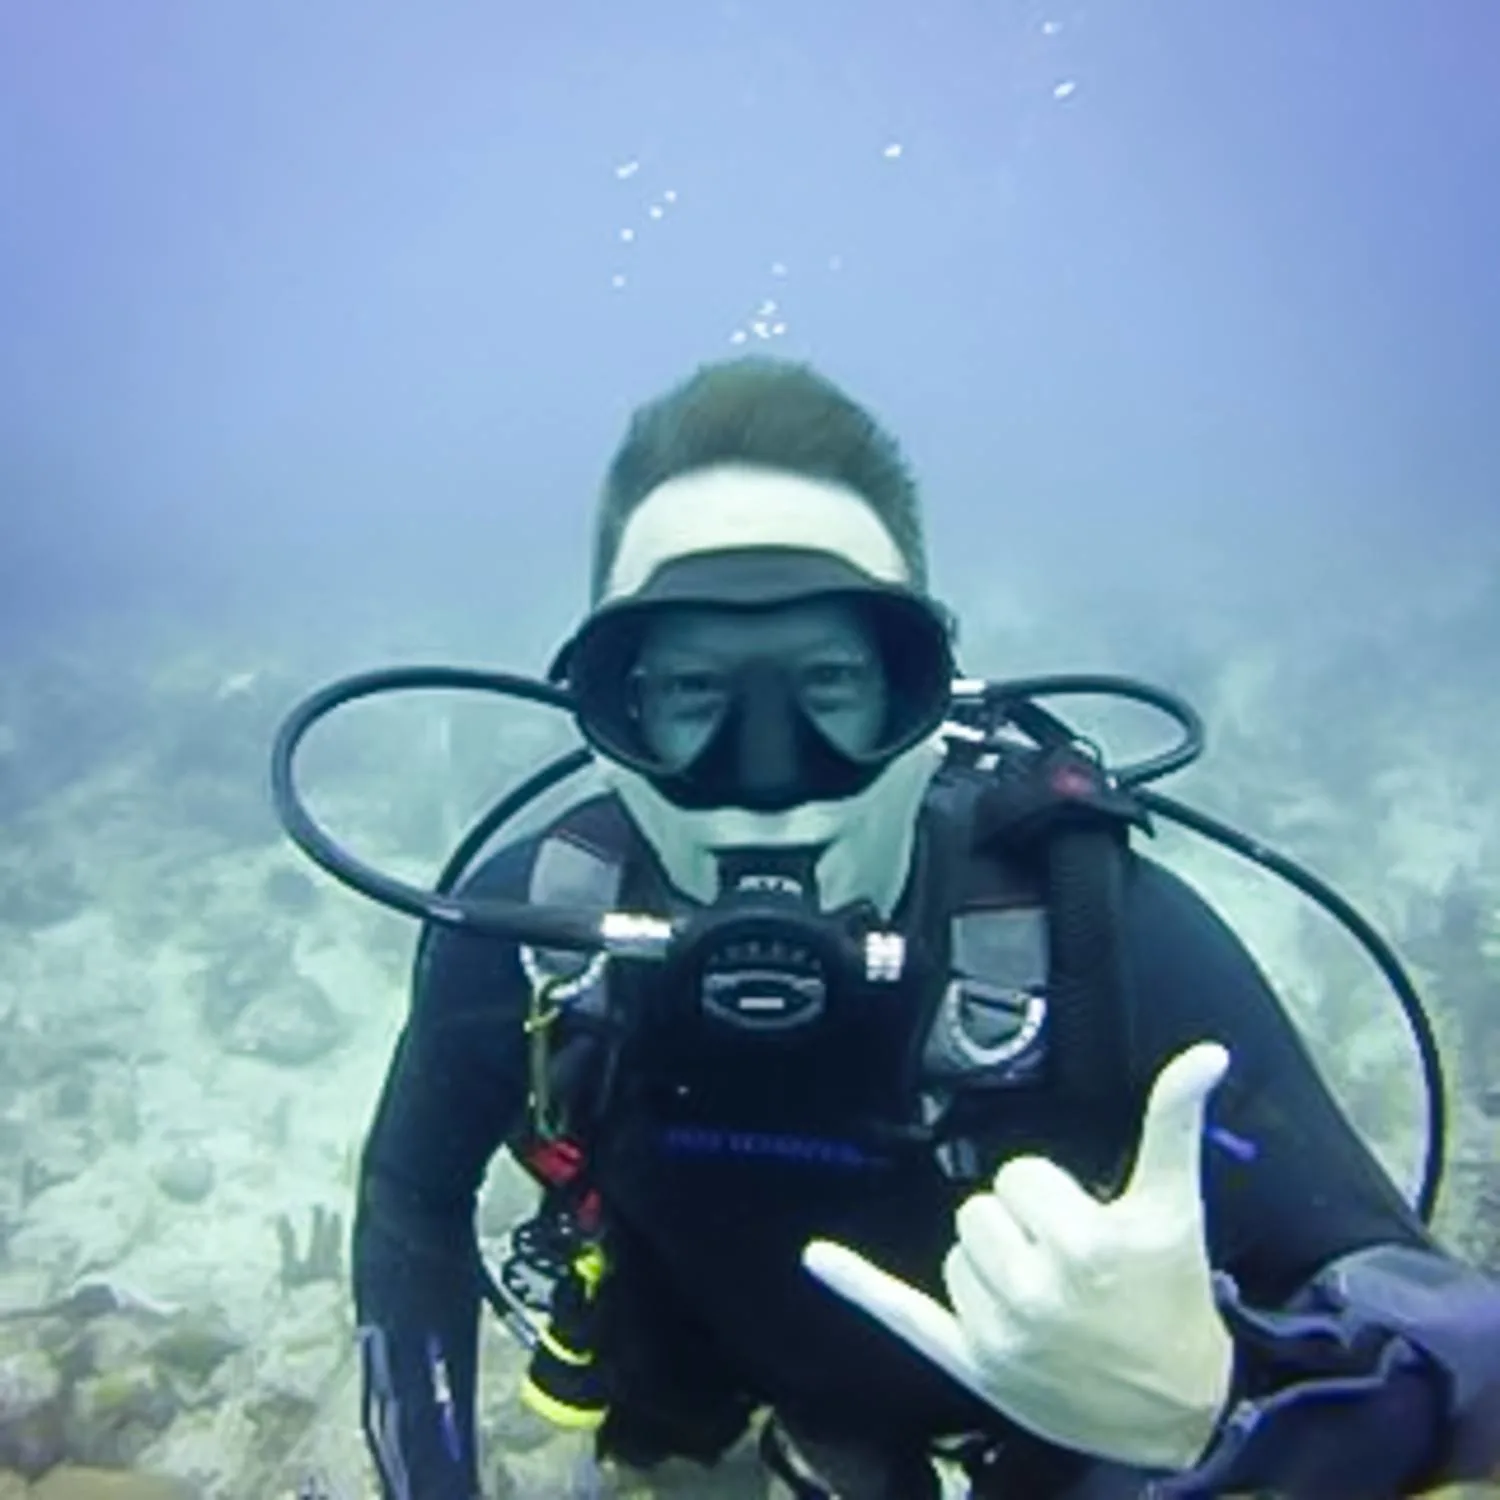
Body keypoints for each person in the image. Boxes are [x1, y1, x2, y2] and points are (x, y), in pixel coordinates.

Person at [347, 357, 1500, 1499]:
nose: (767, 780)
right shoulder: (532, 930)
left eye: (834, 684)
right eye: (693, 694)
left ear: (927, 705)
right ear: (609, 719)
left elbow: (1465, 1361)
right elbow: (410, 1200)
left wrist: (1222, 1409)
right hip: (693, 1424)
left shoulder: (1092, 946)